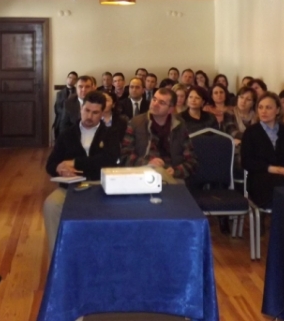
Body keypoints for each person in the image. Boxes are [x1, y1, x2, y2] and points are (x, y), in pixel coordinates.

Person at [43, 91, 121, 255]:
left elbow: (108, 160)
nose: (89, 116)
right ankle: (57, 256)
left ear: (102, 113)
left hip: (100, 186)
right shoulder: (67, 134)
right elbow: (50, 164)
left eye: (95, 113)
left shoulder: (110, 134)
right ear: (81, 108)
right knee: (51, 204)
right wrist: (59, 169)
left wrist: (75, 163)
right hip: (71, 187)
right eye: (87, 110)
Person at [242, 92, 284, 208]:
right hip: (261, 178)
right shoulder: (251, 132)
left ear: (277, 110)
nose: (263, 111)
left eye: (268, 108)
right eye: (260, 107)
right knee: (281, 188)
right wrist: (273, 169)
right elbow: (247, 161)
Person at [121, 88, 197, 180]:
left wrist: (176, 171)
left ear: (170, 109)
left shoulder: (179, 125)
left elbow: (191, 161)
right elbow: (124, 156)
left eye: (162, 103)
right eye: (154, 99)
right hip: (143, 176)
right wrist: (147, 163)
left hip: (172, 177)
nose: (155, 104)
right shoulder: (135, 123)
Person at [228, 87, 256, 171]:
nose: (243, 101)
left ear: (253, 103)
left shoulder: (257, 116)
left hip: (252, 148)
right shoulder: (229, 113)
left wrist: (245, 141)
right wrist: (251, 139)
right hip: (234, 148)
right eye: (241, 97)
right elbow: (232, 132)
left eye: (248, 99)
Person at [53, 71, 78, 138]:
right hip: (61, 119)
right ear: (67, 78)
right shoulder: (60, 93)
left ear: (76, 81)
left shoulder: (78, 92)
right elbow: (57, 108)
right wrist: (66, 115)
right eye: (70, 77)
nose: (71, 80)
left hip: (74, 121)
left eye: (74, 79)